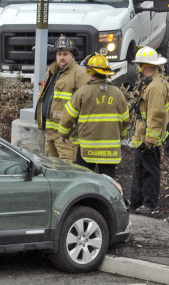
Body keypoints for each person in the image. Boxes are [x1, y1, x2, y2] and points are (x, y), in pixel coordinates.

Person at [58, 53, 130, 177]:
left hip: (87, 149)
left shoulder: (82, 93)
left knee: (84, 181)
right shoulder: (118, 94)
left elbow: (67, 117)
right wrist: (121, 136)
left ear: (90, 73)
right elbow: (125, 120)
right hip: (110, 152)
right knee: (108, 184)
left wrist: (63, 134)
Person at [34, 35, 89, 162]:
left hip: (66, 136)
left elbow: (84, 105)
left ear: (72, 55)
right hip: (50, 131)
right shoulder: (52, 71)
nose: (61, 57)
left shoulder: (80, 73)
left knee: (66, 169)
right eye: (59, 54)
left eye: (65, 54)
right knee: (50, 168)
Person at [130, 46, 169, 214]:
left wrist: (151, 141)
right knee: (139, 169)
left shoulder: (155, 87)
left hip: (148, 139)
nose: (139, 69)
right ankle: (137, 201)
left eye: (140, 65)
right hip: (141, 135)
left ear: (145, 66)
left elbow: (156, 115)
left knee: (149, 171)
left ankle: (149, 203)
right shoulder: (150, 83)